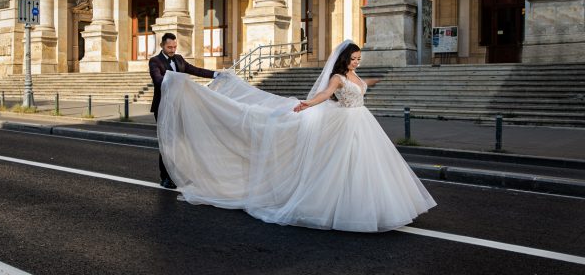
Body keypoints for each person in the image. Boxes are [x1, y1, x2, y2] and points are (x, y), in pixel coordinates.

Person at [156, 40, 436, 232]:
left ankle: (379, 207)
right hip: (346, 123)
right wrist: (306, 105)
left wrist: (382, 78)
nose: (356, 63)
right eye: (352, 59)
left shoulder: (356, 76)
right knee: (341, 165)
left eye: (358, 59)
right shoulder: (337, 78)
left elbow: (364, 84)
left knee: (369, 166)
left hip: (363, 123)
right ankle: (346, 208)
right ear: (343, 60)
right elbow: (324, 96)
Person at [149, 32, 218, 189]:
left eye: (174, 47)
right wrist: (175, 80)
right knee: (167, 143)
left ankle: (178, 174)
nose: (172, 50)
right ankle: (165, 177)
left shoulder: (179, 59)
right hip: (163, 107)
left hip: (180, 105)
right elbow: (158, 79)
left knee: (180, 142)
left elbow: (196, 70)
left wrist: (216, 74)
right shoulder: (155, 61)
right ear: (162, 46)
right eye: (169, 47)